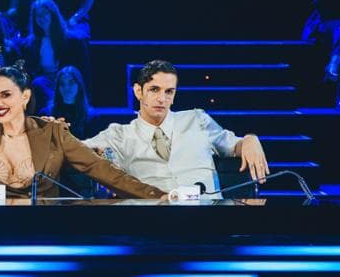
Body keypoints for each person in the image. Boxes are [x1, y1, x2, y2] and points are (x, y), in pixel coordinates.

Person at [0, 66, 166, 201]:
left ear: (25, 97)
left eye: (6, 95)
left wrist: (157, 196)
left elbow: (100, 169)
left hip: (44, 231)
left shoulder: (52, 132)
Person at [82, 60, 269, 197]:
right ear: (138, 91)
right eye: (154, 90)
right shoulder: (118, 134)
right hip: (149, 222)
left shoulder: (197, 120)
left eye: (169, 92)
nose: (162, 99)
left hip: (208, 219)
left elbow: (233, 144)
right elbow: (78, 150)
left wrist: (249, 139)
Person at [21, 0, 91, 106]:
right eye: (38, 15)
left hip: (66, 81)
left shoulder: (72, 41)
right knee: (38, 84)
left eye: (45, 13)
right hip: (45, 83)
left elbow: (82, 71)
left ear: (53, 14)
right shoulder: (31, 43)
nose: (42, 18)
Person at [39, 65, 90, 139]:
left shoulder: (90, 117)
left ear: (79, 86)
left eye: (71, 83)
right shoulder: (46, 113)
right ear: (58, 88)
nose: (66, 88)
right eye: (62, 84)